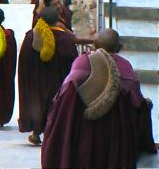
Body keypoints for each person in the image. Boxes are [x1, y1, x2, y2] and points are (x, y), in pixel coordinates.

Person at [41, 29, 157, 168]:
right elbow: (137, 103)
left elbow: (64, 99)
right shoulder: (125, 67)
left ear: (94, 44)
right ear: (119, 48)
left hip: (82, 133)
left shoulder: (81, 62)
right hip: (114, 138)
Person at [18, 7, 93, 145]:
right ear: (58, 19)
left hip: (36, 83)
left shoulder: (31, 36)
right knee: (56, 105)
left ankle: (36, 132)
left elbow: (24, 61)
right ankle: (55, 135)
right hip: (57, 82)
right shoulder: (65, 38)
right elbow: (72, 61)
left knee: (38, 105)